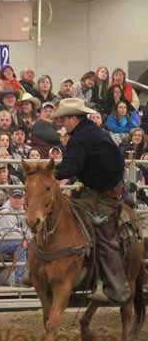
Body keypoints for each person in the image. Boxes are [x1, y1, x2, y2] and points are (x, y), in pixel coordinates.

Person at [53, 98, 129, 304]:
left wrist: (49, 171)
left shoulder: (80, 138)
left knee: (103, 234)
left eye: (64, 119)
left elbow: (70, 167)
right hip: (98, 187)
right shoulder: (92, 132)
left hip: (104, 193)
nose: (62, 123)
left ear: (73, 118)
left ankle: (115, 287)